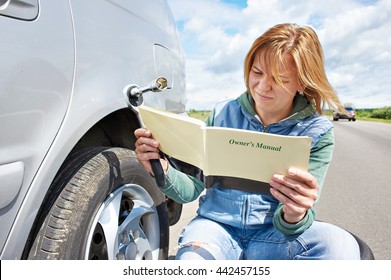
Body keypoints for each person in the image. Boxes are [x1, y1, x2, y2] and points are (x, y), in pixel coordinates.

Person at [134, 23, 360, 260]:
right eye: (257, 72)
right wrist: (162, 168)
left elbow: (294, 222)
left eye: (280, 79)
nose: (262, 87)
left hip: (275, 237)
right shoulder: (222, 114)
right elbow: (191, 190)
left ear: (302, 82)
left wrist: (295, 213)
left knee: (341, 245)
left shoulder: (317, 132)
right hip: (216, 229)